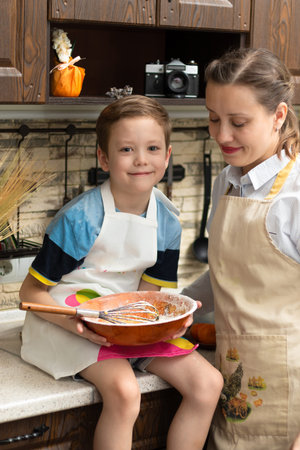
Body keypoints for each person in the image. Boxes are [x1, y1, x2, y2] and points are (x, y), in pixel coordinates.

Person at [19, 95, 223, 450]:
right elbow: (30, 294)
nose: (142, 160)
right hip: (66, 320)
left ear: (167, 156)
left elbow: (152, 294)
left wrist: (166, 321)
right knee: (126, 392)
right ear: (104, 158)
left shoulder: (168, 222)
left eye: (152, 148)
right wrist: (77, 323)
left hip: (127, 320)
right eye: (126, 149)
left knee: (209, 384)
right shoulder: (79, 219)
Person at [182, 47, 300, 449]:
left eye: (239, 122)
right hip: (235, 389)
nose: (221, 135)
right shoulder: (228, 182)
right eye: (214, 119)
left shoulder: (296, 196)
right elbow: (227, 271)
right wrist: (173, 310)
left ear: (278, 116)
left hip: (291, 403)